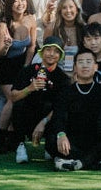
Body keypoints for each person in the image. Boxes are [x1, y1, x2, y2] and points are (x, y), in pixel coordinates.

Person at [47, 50, 101, 171]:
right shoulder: (66, 91)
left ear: (96, 67)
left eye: (89, 62)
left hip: (96, 139)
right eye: (81, 62)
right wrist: (61, 134)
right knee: (52, 141)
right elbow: (58, 116)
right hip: (72, 140)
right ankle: (94, 162)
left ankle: (76, 163)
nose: (85, 65)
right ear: (75, 67)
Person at [10, 36, 69, 164]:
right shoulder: (28, 71)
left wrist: (44, 122)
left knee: (57, 110)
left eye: (56, 51)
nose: (51, 54)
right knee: (19, 105)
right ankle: (20, 145)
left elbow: (61, 106)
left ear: (60, 55)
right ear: (42, 52)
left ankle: (50, 145)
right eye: (48, 50)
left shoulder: (62, 78)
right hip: (28, 115)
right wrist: (29, 89)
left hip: (48, 119)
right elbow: (13, 96)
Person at [0, 0, 37, 147]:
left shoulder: (31, 19)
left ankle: (13, 136)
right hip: (6, 66)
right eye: (16, 1)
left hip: (23, 64)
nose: (20, 4)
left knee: (20, 101)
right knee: (12, 99)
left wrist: (27, 66)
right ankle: (0, 135)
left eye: (23, 1)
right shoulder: (3, 25)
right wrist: (6, 46)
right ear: (10, 4)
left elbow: (32, 46)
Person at [48, 0, 86, 77]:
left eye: (71, 7)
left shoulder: (84, 29)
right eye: (64, 8)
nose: (68, 10)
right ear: (60, 11)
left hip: (79, 74)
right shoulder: (52, 28)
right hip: (57, 74)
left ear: (77, 10)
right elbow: (45, 54)